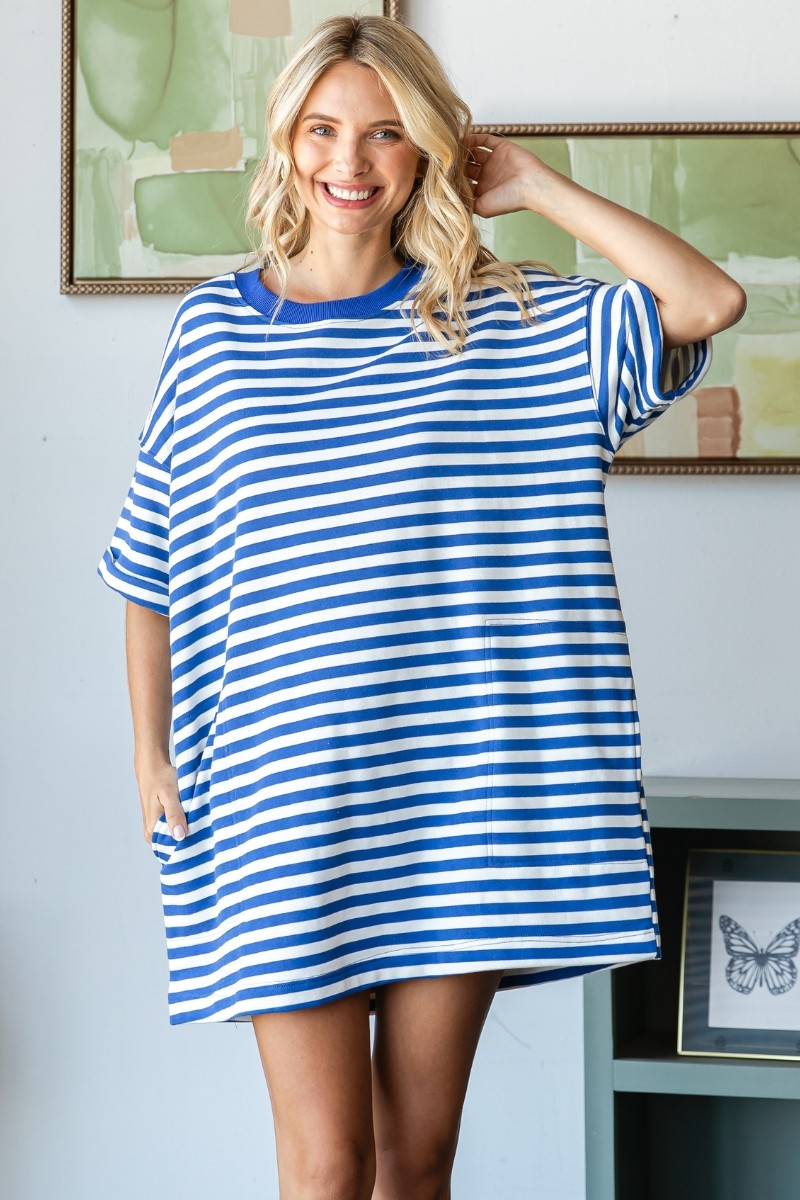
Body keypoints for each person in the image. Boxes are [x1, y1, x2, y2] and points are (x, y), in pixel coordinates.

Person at [98, 13, 745, 1200]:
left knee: (414, 1162)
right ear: (287, 142)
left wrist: (535, 184)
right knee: (325, 1164)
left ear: (431, 151)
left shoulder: (508, 322)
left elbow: (704, 299)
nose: (349, 160)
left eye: (386, 132)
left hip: (461, 794)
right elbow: (151, 570)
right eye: (322, 129)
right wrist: (150, 754)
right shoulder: (214, 334)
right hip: (278, 788)